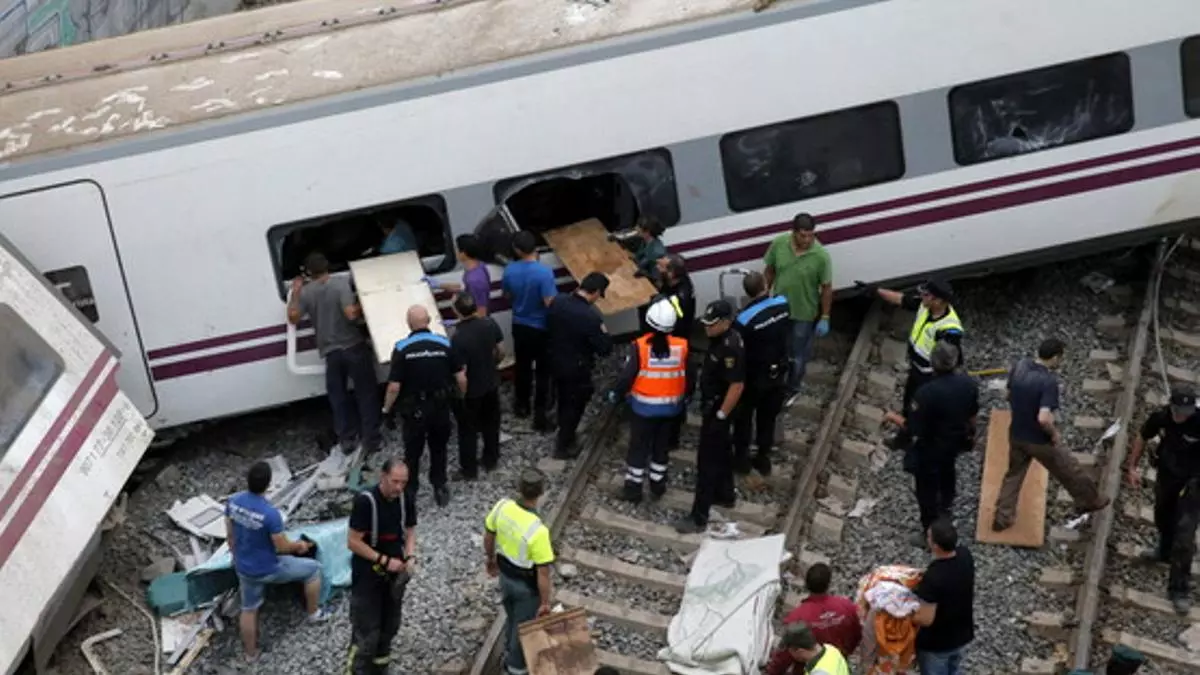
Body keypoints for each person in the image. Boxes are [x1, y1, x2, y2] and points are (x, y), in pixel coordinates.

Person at [992, 338, 1109, 531]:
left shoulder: (1020, 366)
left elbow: (1007, 394)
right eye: (1060, 358)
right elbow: (1043, 418)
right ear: (1055, 358)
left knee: (1013, 475)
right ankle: (1091, 500)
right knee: (1069, 469)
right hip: (1039, 440)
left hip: (1017, 434)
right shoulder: (1048, 382)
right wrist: (1054, 434)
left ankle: (1002, 518)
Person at [226, 462, 328, 661]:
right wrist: (299, 546)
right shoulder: (270, 514)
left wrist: (237, 555)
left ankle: (250, 654)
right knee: (313, 570)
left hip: (243, 567)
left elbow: (230, 535)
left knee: (249, 609)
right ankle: (313, 613)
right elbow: (281, 547)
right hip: (268, 569)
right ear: (268, 484)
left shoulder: (233, 502)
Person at [884, 341, 979, 545]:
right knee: (948, 472)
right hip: (954, 443)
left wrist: (893, 417)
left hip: (930, 448)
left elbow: (912, 428)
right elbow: (972, 416)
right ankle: (946, 504)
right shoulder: (968, 384)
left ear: (933, 363)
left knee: (926, 491)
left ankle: (930, 532)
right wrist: (972, 436)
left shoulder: (926, 394)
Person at [287, 251, 381, 454]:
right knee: (366, 393)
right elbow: (350, 314)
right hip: (353, 346)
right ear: (327, 266)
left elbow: (293, 317)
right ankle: (371, 439)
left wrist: (295, 293)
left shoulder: (306, 293)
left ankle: (347, 439)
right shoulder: (340, 284)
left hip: (331, 352)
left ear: (309, 272)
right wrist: (365, 302)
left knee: (338, 398)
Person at [863, 277, 963, 450]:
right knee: (910, 405)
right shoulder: (925, 306)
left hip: (930, 377)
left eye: (926, 295)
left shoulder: (950, 330)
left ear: (938, 300)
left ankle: (921, 441)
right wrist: (876, 290)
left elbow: (951, 360)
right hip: (917, 370)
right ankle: (906, 437)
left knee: (921, 410)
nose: (922, 297)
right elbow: (902, 299)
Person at [381, 305, 467, 507]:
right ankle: (439, 486)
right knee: (439, 448)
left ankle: (410, 491)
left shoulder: (402, 348)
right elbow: (461, 378)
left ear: (409, 324)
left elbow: (394, 387)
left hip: (414, 410)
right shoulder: (444, 343)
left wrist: (386, 409)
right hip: (440, 406)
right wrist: (461, 398)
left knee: (412, 452)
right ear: (428, 321)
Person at [607, 298, 691, 503]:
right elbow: (690, 377)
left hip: (643, 409)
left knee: (638, 447)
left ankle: (633, 489)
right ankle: (657, 485)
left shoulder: (640, 346)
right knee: (661, 448)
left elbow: (627, 376)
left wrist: (616, 393)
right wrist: (685, 399)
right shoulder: (682, 346)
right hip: (671, 409)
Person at [1126, 388, 1200, 614]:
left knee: (1184, 536)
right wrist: (1132, 467)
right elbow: (1143, 435)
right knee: (1162, 515)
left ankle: (1179, 589)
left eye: (1186, 412)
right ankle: (1164, 550)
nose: (1182, 416)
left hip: (1195, 482)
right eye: (1179, 411)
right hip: (1168, 474)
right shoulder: (1161, 417)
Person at [675, 300, 744, 534]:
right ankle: (725, 493)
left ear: (725, 323)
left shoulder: (730, 347)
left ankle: (699, 516)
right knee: (722, 452)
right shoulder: (719, 340)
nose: (706, 327)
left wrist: (722, 414)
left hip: (718, 409)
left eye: (711, 324)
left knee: (707, 462)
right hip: (713, 406)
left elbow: (736, 385)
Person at [345, 458, 418, 675]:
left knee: (389, 628)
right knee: (366, 633)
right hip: (367, 576)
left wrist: (410, 556)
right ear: (383, 476)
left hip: (394, 576)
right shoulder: (366, 502)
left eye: (403, 482)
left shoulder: (405, 498)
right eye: (395, 481)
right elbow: (353, 542)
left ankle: (380, 669)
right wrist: (384, 560)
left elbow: (410, 531)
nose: (399, 487)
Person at [484, 469, 556, 675]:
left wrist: (490, 559)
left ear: (519, 488)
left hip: (506, 577)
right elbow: (543, 573)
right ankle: (515, 668)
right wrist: (545, 602)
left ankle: (508, 649)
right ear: (540, 492)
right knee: (524, 629)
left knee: (512, 615)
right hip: (527, 589)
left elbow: (489, 536)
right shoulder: (538, 531)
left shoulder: (502, 507)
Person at [763, 213, 832, 401]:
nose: (807, 240)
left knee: (797, 354)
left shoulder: (820, 256)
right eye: (803, 236)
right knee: (779, 349)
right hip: (780, 309)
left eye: (810, 235)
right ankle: (777, 382)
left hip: (804, 313)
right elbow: (770, 271)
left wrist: (825, 316)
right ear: (793, 232)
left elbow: (826, 288)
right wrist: (764, 295)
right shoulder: (779, 244)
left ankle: (793, 387)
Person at [547, 272, 614, 458]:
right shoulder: (590, 317)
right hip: (576, 368)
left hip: (555, 361)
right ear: (596, 292)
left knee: (562, 399)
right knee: (574, 406)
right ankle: (564, 445)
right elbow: (604, 348)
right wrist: (605, 333)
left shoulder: (558, 301)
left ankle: (560, 426)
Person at [732, 271, 791, 476]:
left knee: (744, 418)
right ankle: (763, 457)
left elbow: (739, 348)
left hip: (753, 376)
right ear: (765, 285)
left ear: (747, 292)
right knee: (768, 418)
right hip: (777, 372)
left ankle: (741, 459)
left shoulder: (743, 320)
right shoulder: (783, 305)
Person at [502, 231, 557, 430]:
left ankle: (521, 405)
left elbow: (507, 295)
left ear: (517, 250)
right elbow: (549, 302)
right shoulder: (544, 273)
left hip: (519, 325)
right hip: (541, 327)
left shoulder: (509, 270)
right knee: (543, 371)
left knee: (523, 366)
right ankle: (541, 413)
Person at [766, 563, 861, 674]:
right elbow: (857, 635)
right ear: (829, 583)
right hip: (837, 664)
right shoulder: (847, 607)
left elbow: (785, 655)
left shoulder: (797, 618)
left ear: (806, 584)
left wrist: (772, 672)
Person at [450, 292, 505, 480]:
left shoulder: (458, 338)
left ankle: (469, 470)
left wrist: (462, 395)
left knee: (468, 431)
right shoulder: (490, 323)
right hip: (491, 384)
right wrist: (492, 366)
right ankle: (491, 459)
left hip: (472, 392)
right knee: (491, 424)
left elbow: (461, 376)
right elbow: (501, 351)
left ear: (457, 311)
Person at [912, 517, 975, 674]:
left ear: (935, 545)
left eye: (928, 537)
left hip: (937, 644)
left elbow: (926, 619)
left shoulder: (934, 577)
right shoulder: (965, 556)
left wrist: (906, 613)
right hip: (961, 634)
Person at [654, 254, 696, 450]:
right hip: (676, 340)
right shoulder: (678, 281)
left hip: (677, 342)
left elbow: (675, 316)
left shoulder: (681, 295)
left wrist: (661, 301)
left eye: (663, 267)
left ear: (672, 274)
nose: (659, 268)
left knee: (675, 386)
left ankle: (672, 437)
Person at [438, 234, 492, 315]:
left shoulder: (475, 281)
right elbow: (464, 288)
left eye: (456, 249)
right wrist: (439, 285)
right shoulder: (478, 266)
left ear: (463, 253)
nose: (455, 252)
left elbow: (481, 312)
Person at [774, 622, 851, 675]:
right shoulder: (831, 649)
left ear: (800, 651)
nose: (790, 655)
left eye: (790, 651)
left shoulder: (820, 672)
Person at [630, 217, 669, 283]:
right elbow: (638, 258)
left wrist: (645, 274)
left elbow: (656, 278)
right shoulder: (645, 241)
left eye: (639, 227)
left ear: (647, 232)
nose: (636, 228)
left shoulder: (657, 252)